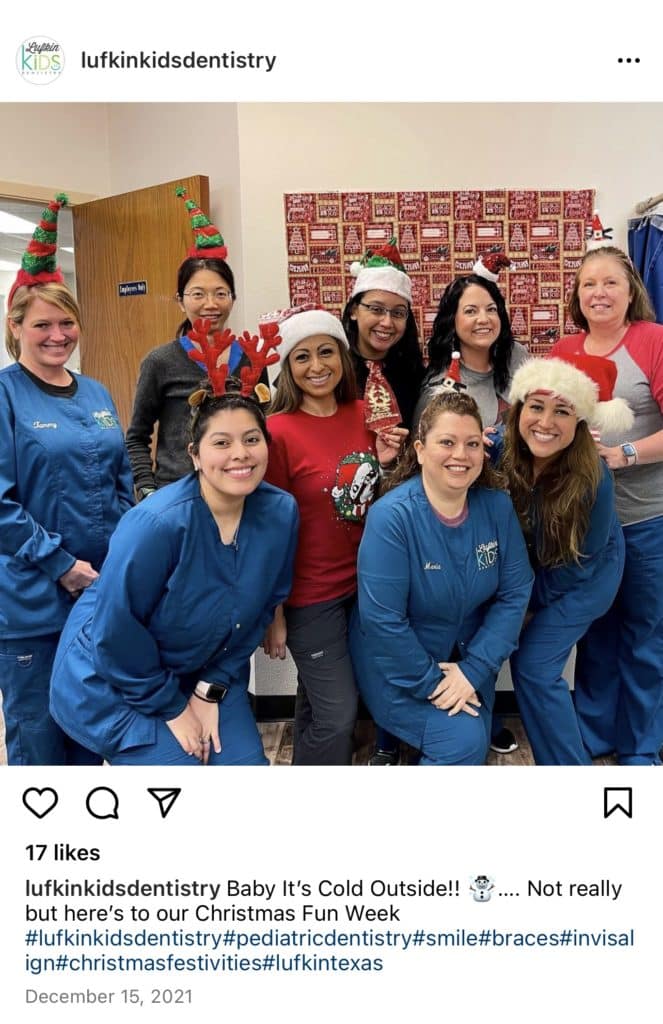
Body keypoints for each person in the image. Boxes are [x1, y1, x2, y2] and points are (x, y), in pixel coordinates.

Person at [49, 333, 298, 766]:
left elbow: (261, 607)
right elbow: (116, 632)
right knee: (178, 779)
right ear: (195, 455)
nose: (239, 454)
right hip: (118, 680)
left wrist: (210, 690)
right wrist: (173, 707)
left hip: (203, 669)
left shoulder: (279, 513)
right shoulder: (155, 524)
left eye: (252, 440)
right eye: (221, 443)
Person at [0, 194, 134, 765]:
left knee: (91, 730)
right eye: (43, 325)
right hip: (33, 603)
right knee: (39, 739)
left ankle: (90, 845)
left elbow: (120, 479)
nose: (58, 335)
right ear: (16, 327)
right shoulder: (5, 395)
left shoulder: (97, 391)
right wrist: (62, 566)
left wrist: (130, 555)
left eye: (67, 322)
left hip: (100, 591)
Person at [348, 391, 533, 766]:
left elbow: (516, 592)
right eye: (446, 442)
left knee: (471, 739)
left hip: (468, 659)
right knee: (463, 742)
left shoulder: (497, 506)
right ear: (419, 449)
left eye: (472, 444)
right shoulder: (391, 518)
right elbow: (383, 622)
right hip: (399, 665)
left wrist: (473, 670)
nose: (460, 455)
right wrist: (435, 684)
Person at [262, 306, 407, 765]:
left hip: (365, 585)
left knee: (319, 702)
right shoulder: (276, 431)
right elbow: (268, 528)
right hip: (311, 595)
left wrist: (384, 462)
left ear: (344, 358)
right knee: (340, 713)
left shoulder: (367, 413)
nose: (317, 365)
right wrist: (274, 611)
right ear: (287, 367)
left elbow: (383, 500)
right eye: (302, 357)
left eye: (327, 352)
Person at [549, 246, 663, 765]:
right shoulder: (564, 347)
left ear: (630, 289)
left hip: (646, 519)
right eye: (588, 283)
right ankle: (593, 737)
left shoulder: (652, 340)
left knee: (645, 637)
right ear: (576, 294)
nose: (598, 292)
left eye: (610, 282)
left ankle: (642, 749)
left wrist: (626, 454)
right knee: (594, 632)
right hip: (586, 525)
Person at [415, 256, 530, 755]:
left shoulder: (521, 361)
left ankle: (485, 698)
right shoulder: (442, 382)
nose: (483, 318)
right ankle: (459, 704)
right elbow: (432, 453)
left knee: (512, 608)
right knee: (471, 609)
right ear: (453, 322)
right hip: (471, 513)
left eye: (491, 308)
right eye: (470, 310)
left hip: (525, 508)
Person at [498, 354, 630, 764]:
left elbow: (583, 564)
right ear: (519, 409)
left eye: (562, 411)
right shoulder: (499, 451)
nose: (545, 422)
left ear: (580, 423)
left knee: (535, 667)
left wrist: (528, 605)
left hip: (585, 579)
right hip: (536, 573)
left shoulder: (594, 477)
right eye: (536, 406)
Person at [341, 237, 425, 763]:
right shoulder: (326, 363)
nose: (386, 323)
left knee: (393, 624)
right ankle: (345, 732)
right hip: (340, 517)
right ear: (353, 310)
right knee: (340, 635)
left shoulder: (414, 373)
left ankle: (394, 733)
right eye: (375, 309)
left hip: (398, 521)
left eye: (397, 313)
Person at [126, 187, 267, 500]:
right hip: (177, 494)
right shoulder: (160, 361)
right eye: (197, 294)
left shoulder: (251, 359)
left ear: (233, 298)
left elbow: (264, 426)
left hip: (241, 490)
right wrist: (148, 489)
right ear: (180, 301)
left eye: (220, 293)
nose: (210, 304)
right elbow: (137, 436)